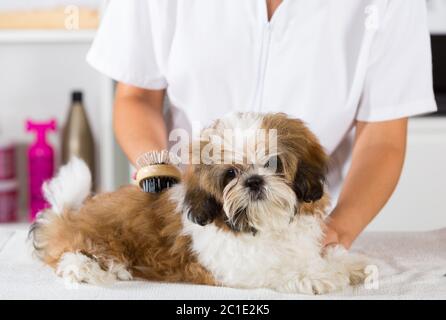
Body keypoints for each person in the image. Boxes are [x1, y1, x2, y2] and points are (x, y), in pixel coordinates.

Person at [86, 0, 437, 249]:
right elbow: (137, 97)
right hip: (189, 211)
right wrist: (160, 170)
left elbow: (383, 137)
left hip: (304, 220)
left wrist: (339, 230)